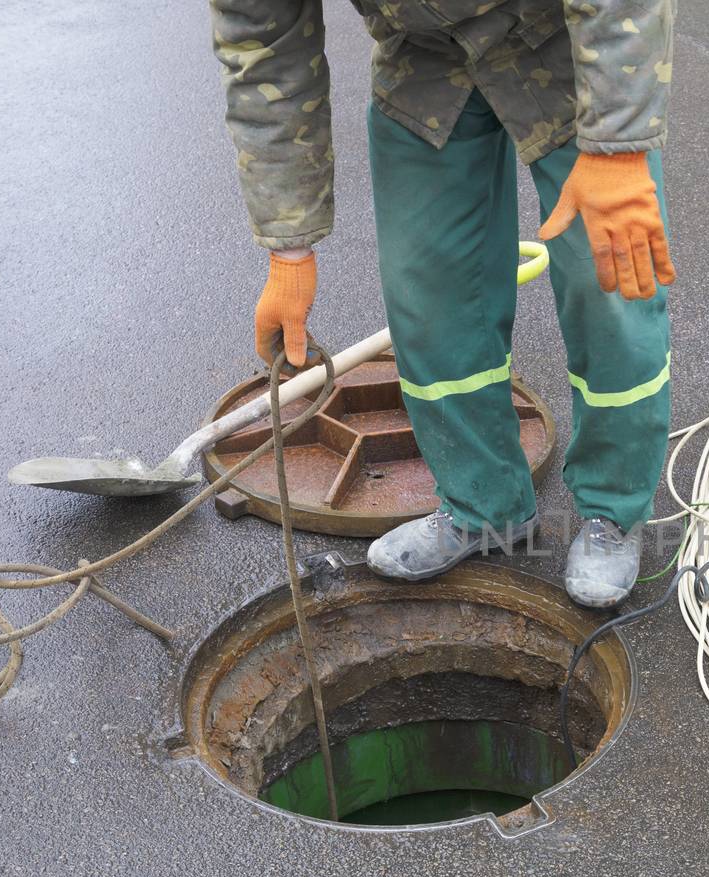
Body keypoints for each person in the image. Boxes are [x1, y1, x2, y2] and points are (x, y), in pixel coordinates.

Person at [210, 0, 677, 608]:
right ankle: (482, 504)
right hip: (424, 59)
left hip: (563, 44)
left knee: (610, 285)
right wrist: (288, 249)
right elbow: (264, 46)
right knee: (429, 296)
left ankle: (613, 511)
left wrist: (618, 145)